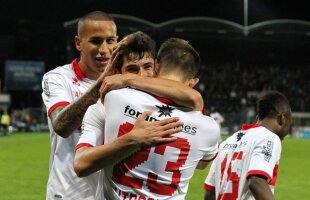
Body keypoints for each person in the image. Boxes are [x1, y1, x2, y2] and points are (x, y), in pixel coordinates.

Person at [75, 37, 220, 199]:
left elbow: (80, 165)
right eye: (133, 70)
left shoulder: (114, 99)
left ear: (156, 66)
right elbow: (201, 163)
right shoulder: (209, 127)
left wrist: (127, 79)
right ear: (193, 82)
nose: (142, 74)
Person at [204, 91, 292, 200]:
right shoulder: (270, 138)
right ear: (282, 118)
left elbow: (210, 194)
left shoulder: (227, 142)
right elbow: (256, 182)